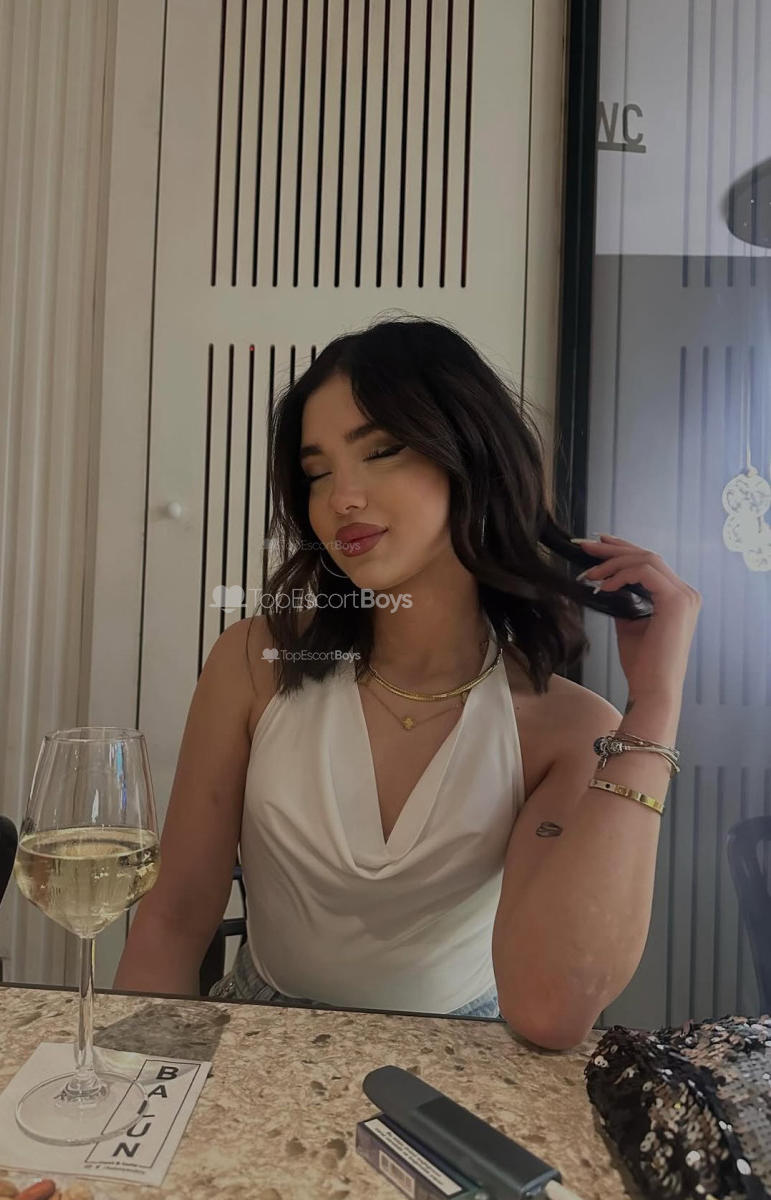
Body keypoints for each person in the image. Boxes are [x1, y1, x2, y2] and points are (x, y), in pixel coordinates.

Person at [115, 316, 701, 1050]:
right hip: (259, 1040)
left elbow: (551, 1007)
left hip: (458, 1062)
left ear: (472, 457)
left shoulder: (566, 729)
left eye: (381, 451)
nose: (342, 498)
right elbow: (172, 920)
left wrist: (655, 706)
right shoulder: (253, 662)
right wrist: (129, 1084)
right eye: (317, 472)